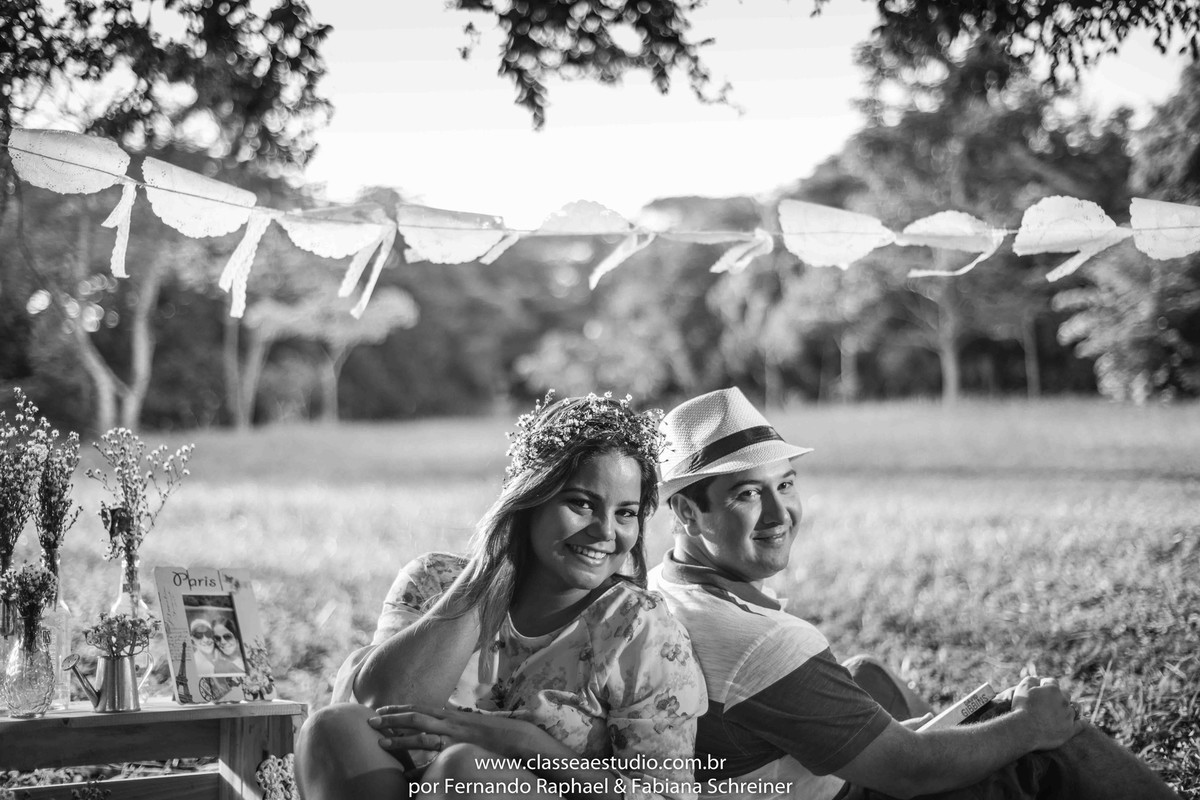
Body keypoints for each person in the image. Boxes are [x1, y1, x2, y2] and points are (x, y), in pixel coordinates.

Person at [647, 387, 1180, 800]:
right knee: (1057, 745)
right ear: (688, 513)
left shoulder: (658, 587)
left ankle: (952, 744)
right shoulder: (762, 643)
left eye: (785, 484)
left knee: (867, 675)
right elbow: (907, 773)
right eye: (746, 494)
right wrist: (1028, 727)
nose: (778, 513)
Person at [297, 392, 707, 800]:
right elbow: (386, 706)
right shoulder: (434, 580)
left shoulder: (639, 628)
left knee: (466, 772)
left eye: (626, 512)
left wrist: (524, 743)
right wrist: (492, 569)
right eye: (581, 504)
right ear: (529, 499)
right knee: (332, 728)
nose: (605, 531)